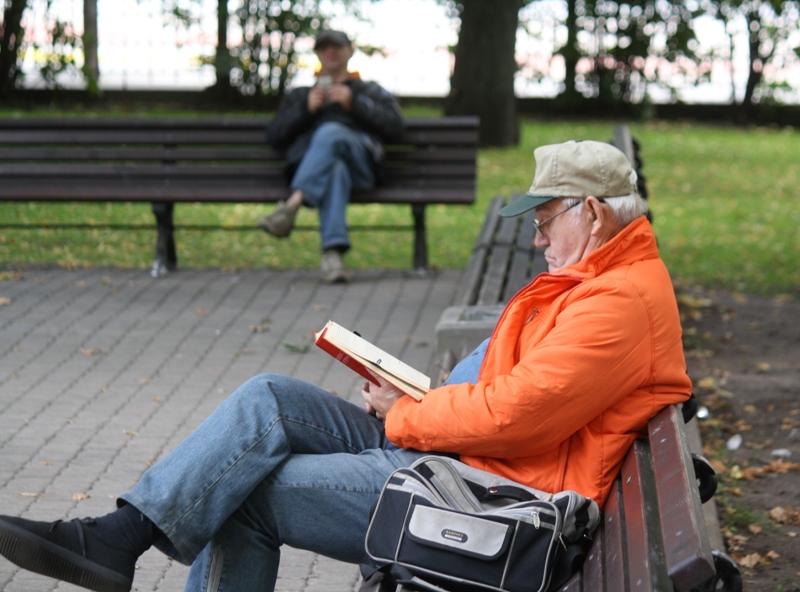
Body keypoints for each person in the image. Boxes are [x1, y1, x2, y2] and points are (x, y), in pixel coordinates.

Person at [0, 140, 692, 592]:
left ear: (593, 214)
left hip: (493, 495)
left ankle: (115, 540)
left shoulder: (617, 302)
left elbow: (517, 416)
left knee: (246, 495)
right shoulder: (590, 280)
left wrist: (411, 414)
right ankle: (116, 537)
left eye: (546, 219)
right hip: (467, 454)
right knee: (269, 397)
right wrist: (412, 394)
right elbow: (503, 391)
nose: (536, 235)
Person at [259, 29, 405, 283]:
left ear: (350, 51)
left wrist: (354, 103)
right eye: (324, 47)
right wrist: (305, 110)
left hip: (363, 171)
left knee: (332, 132)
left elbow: (395, 128)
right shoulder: (302, 94)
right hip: (327, 178)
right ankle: (332, 256)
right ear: (317, 54)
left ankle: (292, 205)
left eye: (336, 46)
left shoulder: (368, 91)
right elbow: (275, 136)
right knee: (335, 168)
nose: (330, 51)